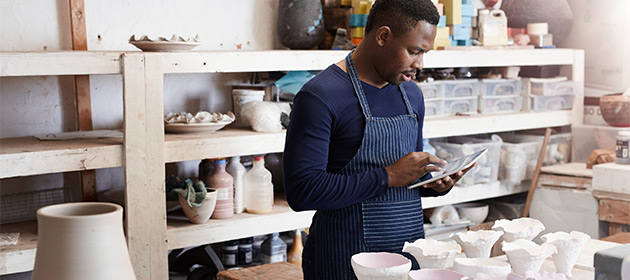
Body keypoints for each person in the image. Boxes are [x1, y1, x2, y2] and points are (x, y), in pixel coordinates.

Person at [283, 0, 475, 278]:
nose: (419, 64)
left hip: (405, 256)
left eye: (424, 53)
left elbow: (405, 178)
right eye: (413, 51)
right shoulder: (321, 96)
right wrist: (388, 176)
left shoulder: (411, 95)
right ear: (383, 36)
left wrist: (433, 184)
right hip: (343, 260)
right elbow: (302, 192)